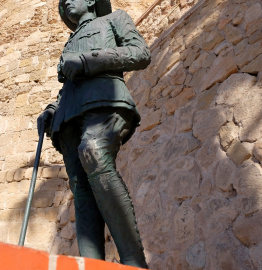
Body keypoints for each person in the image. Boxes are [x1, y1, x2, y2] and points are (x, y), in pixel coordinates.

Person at [37, 0, 150, 267]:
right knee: (80, 188)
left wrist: (88, 61)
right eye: (62, 3)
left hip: (104, 100)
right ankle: (92, 264)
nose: (65, 3)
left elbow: (140, 53)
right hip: (68, 116)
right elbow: (67, 87)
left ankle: (133, 261)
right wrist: (52, 108)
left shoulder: (114, 20)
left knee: (95, 154)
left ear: (90, 1)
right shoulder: (69, 42)